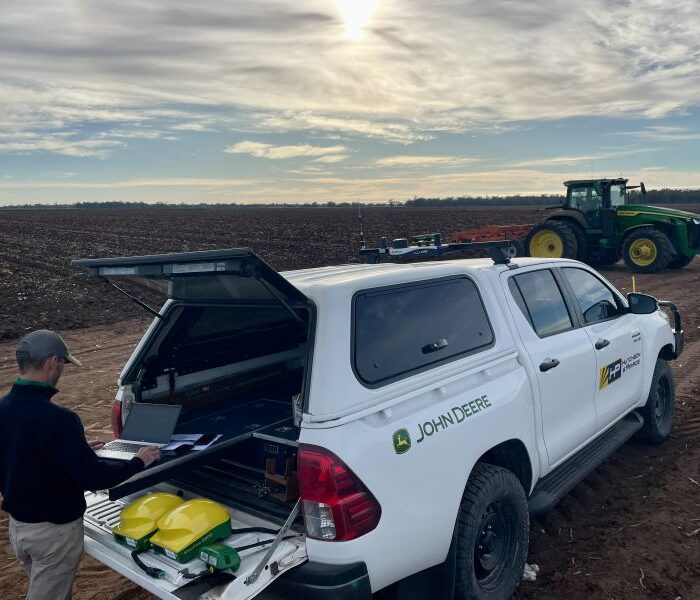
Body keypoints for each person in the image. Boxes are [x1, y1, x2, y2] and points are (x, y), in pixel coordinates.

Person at [0, 329, 162, 600]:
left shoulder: (3, 409)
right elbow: (96, 478)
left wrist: (76, 451)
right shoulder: (60, 419)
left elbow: (21, 454)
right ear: (52, 362)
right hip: (54, 535)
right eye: (63, 363)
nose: (62, 370)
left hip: (20, 529)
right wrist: (139, 461)